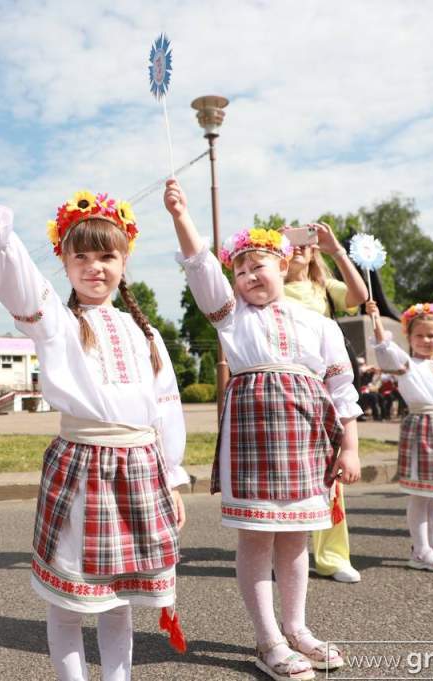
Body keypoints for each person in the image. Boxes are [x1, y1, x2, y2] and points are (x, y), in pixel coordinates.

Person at [0, 139, 189, 681]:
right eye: (82, 255)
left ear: (125, 260)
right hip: (83, 465)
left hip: (141, 467)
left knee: (120, 598)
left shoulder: (146, 332)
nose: (95, 267)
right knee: (70, 599)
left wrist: (172, 476)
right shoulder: (55, 320)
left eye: (107, 255)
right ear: (65, 261)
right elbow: (14, 270)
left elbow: (166, 408)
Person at [168, 179, 361, 680]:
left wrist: (351, 448)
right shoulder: (232, 319)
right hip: (253, 432)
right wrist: (182, 217)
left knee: (296, 538)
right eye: (241, 268)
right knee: (256, 538)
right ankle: (267, 638)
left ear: (285, 265)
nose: (250, 274)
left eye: (260, 264)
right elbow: (201, 268)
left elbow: (342, 390)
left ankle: (296, 628)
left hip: (307, 434)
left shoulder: (320, 324)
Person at [279, 223, 367, 585]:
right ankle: (283, 549)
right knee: (285, 471)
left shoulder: (322, 287)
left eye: (304, 243)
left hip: (322, 385)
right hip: (282, 386)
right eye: (290, 242)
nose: (298, 248)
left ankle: (332, 555)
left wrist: (336, 250)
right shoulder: (272, 287)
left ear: (314, 251)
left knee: (332, 472)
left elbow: (358, 296)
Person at [367, 300, 433, 572]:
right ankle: (420, 548)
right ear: (408, 338)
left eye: (431, 335)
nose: (425, 340)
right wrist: (376, 322)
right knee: (420, 493)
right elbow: (387, 353)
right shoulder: (408, 365)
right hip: (424, 426)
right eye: (419, 335)